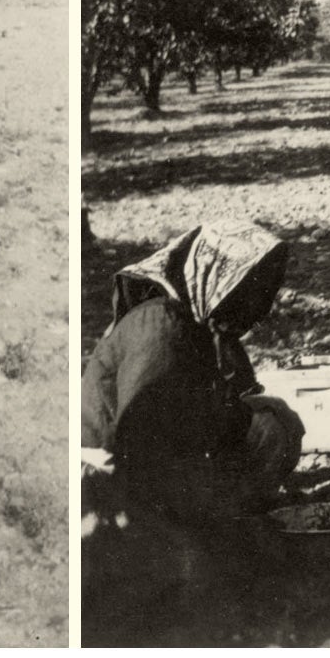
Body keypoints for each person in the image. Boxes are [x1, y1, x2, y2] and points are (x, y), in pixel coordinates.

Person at [81, 221, 304, 521]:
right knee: (267, 430)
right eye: (242, 291)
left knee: (273, 417)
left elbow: (207, 410)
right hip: (109, 480)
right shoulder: (163, 328)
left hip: (154, 459)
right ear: (214, 277)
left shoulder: (191, 319)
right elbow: (141, 443)